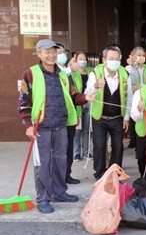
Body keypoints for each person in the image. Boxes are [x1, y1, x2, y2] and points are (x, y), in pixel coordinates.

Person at [18, 39, 95, 213]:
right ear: (39, 54)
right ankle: (43, 198)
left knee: (60, 161)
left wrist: (86, 98)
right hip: (41, 127)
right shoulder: (30, 74)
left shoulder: (63, 74)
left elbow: (73, 96)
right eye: (47, 52)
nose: (52, 55)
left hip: (61, 125)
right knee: (43, 164)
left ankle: (59, 192)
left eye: (55, 52)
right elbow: (23, 102)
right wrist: (28, 125)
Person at [85, 44, 133, 180]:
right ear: (104, 59)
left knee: (118, 147)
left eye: (117, 59)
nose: (114, 62)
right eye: (111, 59)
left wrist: (127, 118)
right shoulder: (96, 73)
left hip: (118, 117)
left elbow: (129, 96)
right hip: (99, 117)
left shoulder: (125, 73)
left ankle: (115, 173)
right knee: (99, 146)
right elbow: (87, 94)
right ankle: (99, 174)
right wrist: (94, 87)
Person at [55, 43, 81, 184]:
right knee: (59, 149)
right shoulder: (53, 72)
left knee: (68, 147)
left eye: (63, 51)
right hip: (56, 117)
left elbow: (72, 94)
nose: (61, 54)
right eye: (58, 52)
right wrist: (69, 70)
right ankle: (58, 177)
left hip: (69, 116)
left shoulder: (67, 71)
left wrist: (84, 98)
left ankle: (67, 174)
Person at [72, 51, 93, 161]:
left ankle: (86, 152)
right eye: (80, 59)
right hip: (78, 105)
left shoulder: (90, 71)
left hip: (89, 104)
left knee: (86, 130)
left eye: (84, 59)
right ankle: (76, 153)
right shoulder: (72, 73)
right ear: (75, 60)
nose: (83, 61)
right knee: (77, 130)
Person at [126, 46, 146, 149]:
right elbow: (127, 86)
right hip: (133, 98)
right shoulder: (128, 68)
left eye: (143, 56)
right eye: (138, 55)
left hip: (145, 98)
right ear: (133, 55)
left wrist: (140, 87)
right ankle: (134, 141)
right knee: (133, 119)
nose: (141, 57)